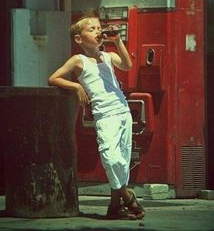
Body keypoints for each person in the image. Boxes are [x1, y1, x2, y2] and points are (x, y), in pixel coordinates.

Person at [48, 12, 145, 220]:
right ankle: (129, 198)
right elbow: (53, 78)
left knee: (122, 157)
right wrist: (76, 86)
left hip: (122, 111)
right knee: (110, 157)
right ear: (79, 39)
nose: (98, 31)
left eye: (98, 28)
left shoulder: (107, 56)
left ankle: (114, 207)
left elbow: (127, 65)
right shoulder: (78, 60)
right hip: (105, 114)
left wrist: (118, 41)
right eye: (91, 29)